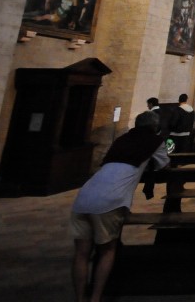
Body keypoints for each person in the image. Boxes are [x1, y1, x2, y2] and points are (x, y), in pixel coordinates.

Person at [70, 111, 168, 302]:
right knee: (107, 250)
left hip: (85, 195)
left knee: (81, 253)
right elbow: (163, 165)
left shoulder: (122, 139)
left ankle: (80, 298)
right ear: (155, 127)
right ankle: (96, 297)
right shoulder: (154, 141)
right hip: (111, 200)